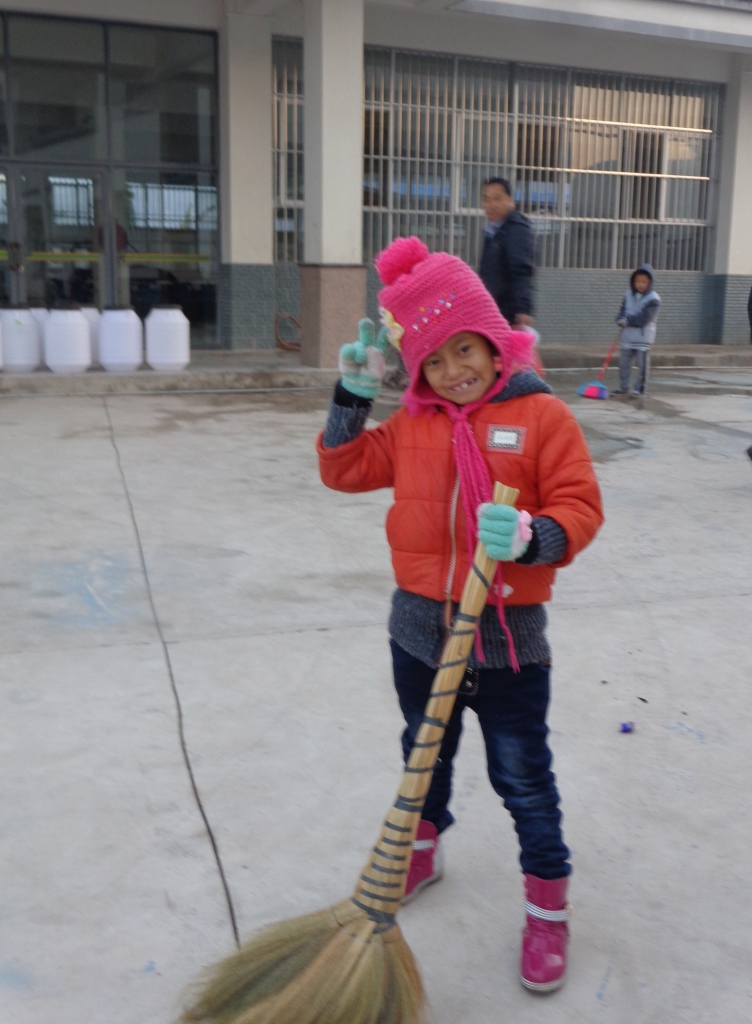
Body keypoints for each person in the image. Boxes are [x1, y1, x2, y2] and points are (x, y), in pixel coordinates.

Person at [317, 236, 603, 993]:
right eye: (433, 361)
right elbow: (342, 470)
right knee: (424, 752)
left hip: (508, 640)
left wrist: (536, 536)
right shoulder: (414, 423)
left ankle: (547, 908)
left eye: (464, 350)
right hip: (419, 629)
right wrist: (351, 396)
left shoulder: (540, 415)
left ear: (491, 339)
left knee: (522, 779)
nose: (453, 372)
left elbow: (580, 506)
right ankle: (423, 846)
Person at [478, 177, 535, 328]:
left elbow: (521, 270)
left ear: (510, 200)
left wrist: (522, 310)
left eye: (497, 198)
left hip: (508, 315)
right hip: (492, 311)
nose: (491, 204)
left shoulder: (516, 229)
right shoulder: (494, 231)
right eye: (486, 199)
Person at [612, 264, 661, 398]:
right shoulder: (627, 294)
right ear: (633, 281)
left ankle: (639, 389)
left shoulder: (653, 299)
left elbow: (644, 319)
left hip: (643, 338)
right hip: (627, 337)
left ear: (650, 282)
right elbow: (622, 311)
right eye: (638, 281)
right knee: (623, 364)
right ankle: (623, 387)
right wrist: (620, 319)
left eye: (644, 282)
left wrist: (627, 320)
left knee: (642, 366)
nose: (640, 284)